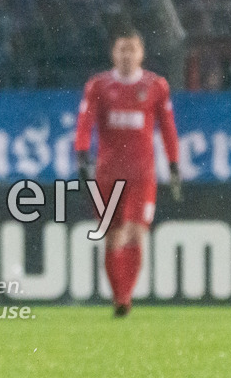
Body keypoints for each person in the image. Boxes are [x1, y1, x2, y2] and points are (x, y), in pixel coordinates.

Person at [74, 30, 181, 317]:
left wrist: (173, 163)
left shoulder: (156, 86)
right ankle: (119, 295)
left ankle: (124, 298)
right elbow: (85, 121)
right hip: (108, 174)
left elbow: (168, 126)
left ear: (141, 53)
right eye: (122, 50)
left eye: (132, 49)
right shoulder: (98, 85)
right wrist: (82, 152)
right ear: (113, 53)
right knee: (112, 236)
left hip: (142, 175)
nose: (126, 55)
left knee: (136, 233)